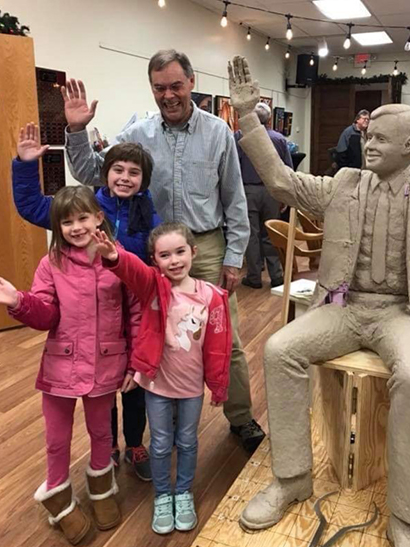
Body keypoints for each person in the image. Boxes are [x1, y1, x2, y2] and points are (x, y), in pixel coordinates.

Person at [228, 56, 410, 547]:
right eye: (368, 135)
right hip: (344, 306)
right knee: (279, 348)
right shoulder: (342, 185)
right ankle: (293, 479)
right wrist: (248, 117)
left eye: (381, 137)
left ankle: (405, 524)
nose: (369, 142)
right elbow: (280, 180)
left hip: (402, 315)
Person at [60, 50, 264, 452]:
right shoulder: (139, 133)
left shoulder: (219, 132)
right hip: (150, 251)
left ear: (191, 82)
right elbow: (94, 173)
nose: (168, 95)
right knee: (160, 338)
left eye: (175, 86)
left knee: (228, 339)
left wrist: (234, 256)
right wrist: (76, 131)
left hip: (204, 246)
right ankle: (169, 421)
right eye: (159, 87)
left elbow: (234, 200)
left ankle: (240, 417)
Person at [0, 134, 141, 544]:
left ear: (98, 217)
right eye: (67, 222)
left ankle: (101, 488)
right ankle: (58, 497)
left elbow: (134, 313)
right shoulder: (50, 263)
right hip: (60, 367)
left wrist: (134, 363)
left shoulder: (117, 258)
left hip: (106, 364)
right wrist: (18, 301)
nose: (76, 228)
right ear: (58, 227)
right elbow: (46, 314)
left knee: (102, 434)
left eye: (83, 218)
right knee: (56, 440)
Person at [12, 123, 161, 482]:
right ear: (105, 173)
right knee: (101, 393)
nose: (125, 178)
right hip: (93, 324)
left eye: (134, 172)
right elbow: (33, 205)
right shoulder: (91, 207)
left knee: (134, 388)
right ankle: (106, 446)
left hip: (128, 312)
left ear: (145, 179)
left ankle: (134, 442)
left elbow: (154, 264)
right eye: (117, 170)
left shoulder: (149, 214)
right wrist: (24, 164)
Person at [92, 222, 231, 535]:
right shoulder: (153, 288)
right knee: (160, 444)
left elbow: (219, 348)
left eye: (180, 251)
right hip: (157, 386)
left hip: (191, 387)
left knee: (187, 441)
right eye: (165, 255)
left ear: (193, 252)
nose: (175, 260)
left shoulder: (212, 297)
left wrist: (218, 385)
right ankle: (162, 495)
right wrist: (115, 255)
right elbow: (134, 272)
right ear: (155, 261)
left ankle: (183, 492)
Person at [234, 102, 292, 289]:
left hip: (247, 191)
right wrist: (284, 196)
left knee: (251, 235)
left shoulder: (239, 137)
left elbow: (233, 168)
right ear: (269, 119)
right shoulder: (280, 139)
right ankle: (276, 275)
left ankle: (254, 276)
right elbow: (287, 170)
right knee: (270, 234)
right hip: (272, 191)